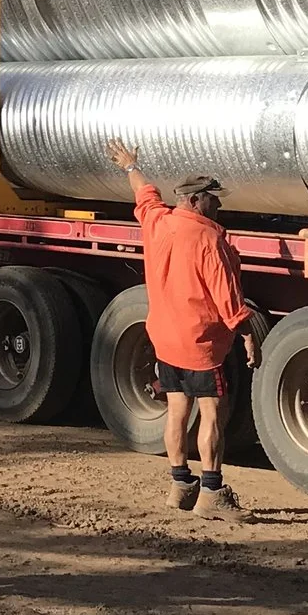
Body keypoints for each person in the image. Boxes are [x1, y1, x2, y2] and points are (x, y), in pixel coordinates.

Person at [105, 139, 259, 519]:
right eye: (213, 198)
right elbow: (227, 295)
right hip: (200, 345)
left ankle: (179, 486)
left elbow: (145, 196)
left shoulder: (159, 223)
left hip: (165, 340)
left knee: (176, 411)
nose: (219, 204)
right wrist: (247, 333)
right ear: (194, 200)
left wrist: (130, 166)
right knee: (212, 415)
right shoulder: (210, 238)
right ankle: (212, 493)